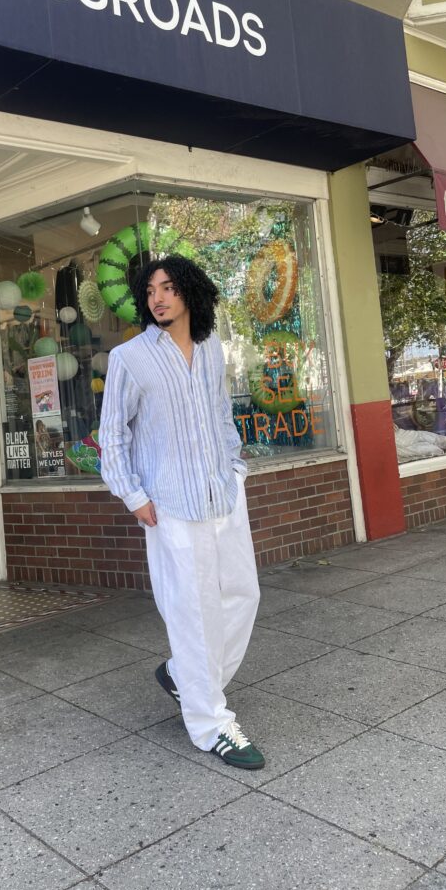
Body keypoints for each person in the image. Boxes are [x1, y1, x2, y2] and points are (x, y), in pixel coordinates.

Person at [100, 255, 263, 770]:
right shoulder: (130, 357)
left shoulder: (213, 349)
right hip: (170, 506)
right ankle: (211, 724)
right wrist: (133, 495)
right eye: (150, 291)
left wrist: (235, 469)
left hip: (222, 495)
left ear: (190, 292)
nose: (158, 298)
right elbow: (112, 435)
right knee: (194, 615)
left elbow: (221, 415)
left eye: (168, 288)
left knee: (242, 596)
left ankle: (183, 676)